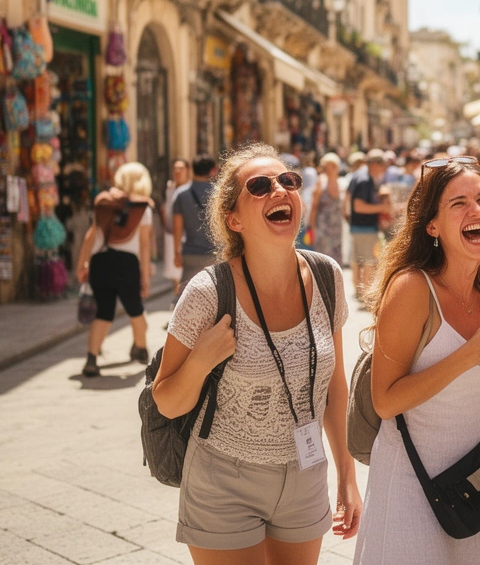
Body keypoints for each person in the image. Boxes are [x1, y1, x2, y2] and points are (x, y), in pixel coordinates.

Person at [153, 143, 360, 563]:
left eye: (288, 181)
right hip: (223, 478)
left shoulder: (326, 276)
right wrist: (200, 361)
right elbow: (167, 401)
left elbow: (335, 386)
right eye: (260, 186)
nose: (280, 190)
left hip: (306, 474)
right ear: (234, 219)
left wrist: (347, 473)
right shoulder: (208, 293)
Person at [354, 157, 480, 565]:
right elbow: (385, 401)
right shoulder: (411, 288)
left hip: (476, 485)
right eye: (458, 203)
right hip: (410, 486)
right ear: (432, 226)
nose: (477, 211)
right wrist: (463, 358)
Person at [77, 162, 155, 377]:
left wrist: (82, 265)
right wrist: (146, 278)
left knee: (103, 312)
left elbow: (90, 236)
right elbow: (145, 246)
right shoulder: (142, 209)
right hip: (126, 264)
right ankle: (141, 348)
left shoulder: (105, 204)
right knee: (135, 309)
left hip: (100, 261)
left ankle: (91, 359)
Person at [348, 150, 391, 299]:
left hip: (358, 227)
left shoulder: (360, 176)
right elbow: (358, 206)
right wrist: (382, 208)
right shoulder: (365, 180)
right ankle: (366, 295)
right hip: (365, 227)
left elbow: (349, 199)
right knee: (368, 261)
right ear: (374, 164)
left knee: (358, 260)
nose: (384, 169)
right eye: (382, 165)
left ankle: (360, 292)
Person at [173, 154, 218, 299]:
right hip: (216, 254)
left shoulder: (181, 194)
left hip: (191, 253)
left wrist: (177, 252)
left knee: (186, 297)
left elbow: (177, 227)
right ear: (212, 171)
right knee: (215, 298)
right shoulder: (220, 193)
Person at [308, 152, 345, 266]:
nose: (331, 169)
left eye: (333, 165)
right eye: (328, 166)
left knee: (336, 260)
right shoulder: (320, 182)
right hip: (322, 228)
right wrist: (312, 228)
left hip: (337, 228)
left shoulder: (342, 183)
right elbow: (314, 207)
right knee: (322, 259)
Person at [163, 159, 191, 293]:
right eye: (175, 168)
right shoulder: (170, 188)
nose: (177, 171)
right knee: (174, 272)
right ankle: (177, 296)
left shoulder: (189, 190)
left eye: (181, 168)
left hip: (186, 235)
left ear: (187, 171)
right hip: (170, 234)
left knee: (183, 272)